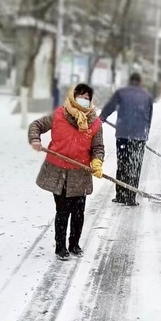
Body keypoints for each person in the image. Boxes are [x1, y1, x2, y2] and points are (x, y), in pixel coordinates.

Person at [28, 83, 104, 260]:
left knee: (78, 212)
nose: (84, 101)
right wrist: (35, 139)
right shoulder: (59, 114)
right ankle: (61, 247)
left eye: (87, 98)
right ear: (73, 96)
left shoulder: (94, 122)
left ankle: (74, 244)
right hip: (59, 172)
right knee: (63, 211)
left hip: (80, 173)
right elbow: (36, 125)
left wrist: (97, 161)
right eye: (81, 97)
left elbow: (98, 146)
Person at [100, 72, 153, 206]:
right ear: (140, 81)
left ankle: (121, 195)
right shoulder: (147, 96)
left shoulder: (121, 93)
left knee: (123, 164)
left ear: (130, 81)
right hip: (139, 136)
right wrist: (144, 135)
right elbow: (149, 117)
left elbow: (110, 106)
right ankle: (131, 197)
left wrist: (102, 117)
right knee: (135, 165)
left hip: (123, 134)